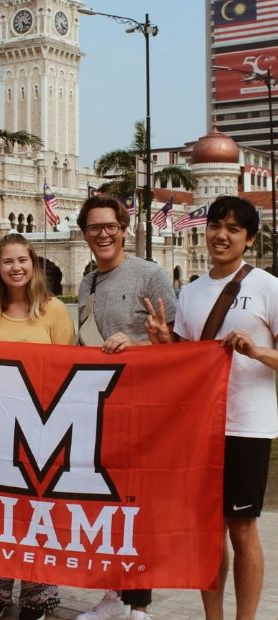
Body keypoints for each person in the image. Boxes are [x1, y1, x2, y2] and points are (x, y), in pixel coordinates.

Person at [146, 196, 278, 620]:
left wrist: (257, 351)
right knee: (207, 532)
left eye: (234, 229)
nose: (222, 235)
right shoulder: (192, 292)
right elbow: (187, 360)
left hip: (247, 426)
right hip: (202, 428)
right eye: (216, 226)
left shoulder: (267, 288)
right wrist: (164, 343)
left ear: (249, 239)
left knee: (242, 528)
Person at [75, 194, 177, 620]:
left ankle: (141, 606)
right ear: (84, 234)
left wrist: (140, 343)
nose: (103, 234)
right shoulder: (87, 282)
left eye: (110, 226)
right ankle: (113, 597)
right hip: (100, 408)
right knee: (106, 507)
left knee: (138, 506)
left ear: (124, 228)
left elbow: (178, 345)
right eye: (94, 228)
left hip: (143, 408)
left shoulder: (149, 275)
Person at [0, 233, 75, 620]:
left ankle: (39, 597)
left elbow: (69, 369)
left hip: (44, 426)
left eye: (22, 260)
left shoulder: (53, 311)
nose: (16, 267)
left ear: (34, 265)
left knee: (39, 512)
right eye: (7, 261)